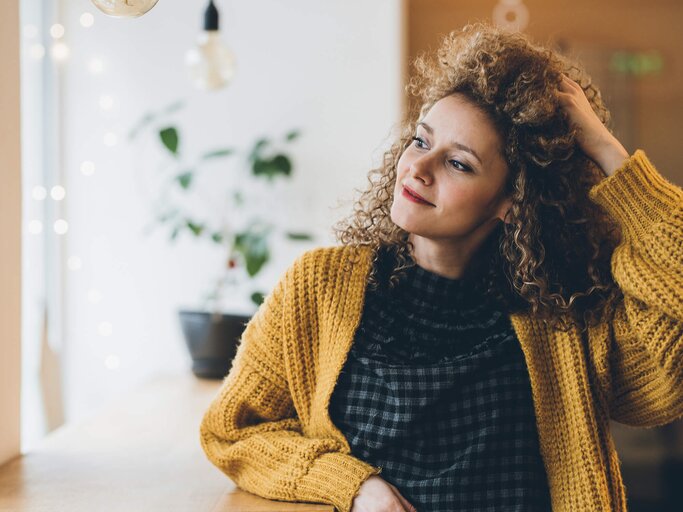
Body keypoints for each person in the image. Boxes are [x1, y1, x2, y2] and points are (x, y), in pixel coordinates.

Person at [199, 22, 683, 512]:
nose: (418, 168)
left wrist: (608, 152)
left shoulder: (568, 322)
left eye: (459, 164)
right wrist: (352, 485)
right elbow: (234, 432)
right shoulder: (318, 288)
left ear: (512, 202)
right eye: (421, 140)